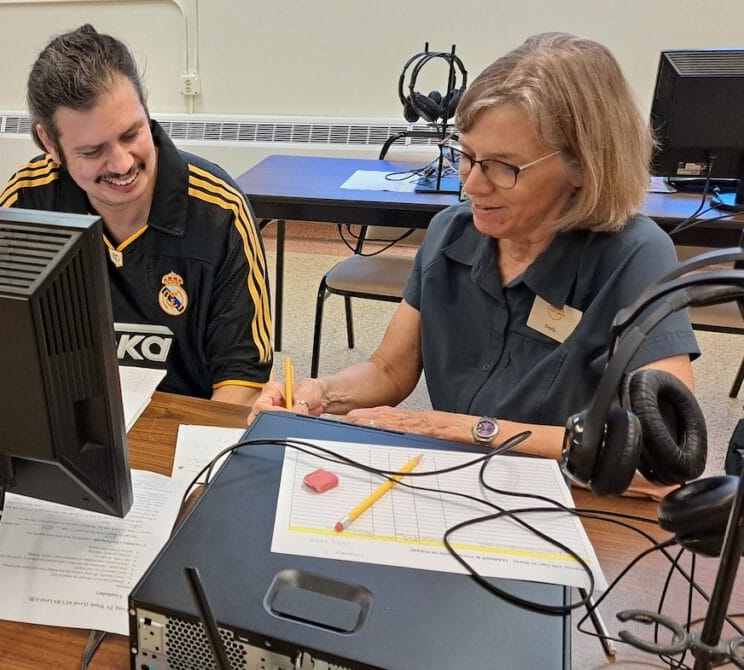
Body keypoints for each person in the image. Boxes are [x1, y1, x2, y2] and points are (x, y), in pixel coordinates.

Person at [251, 33, 699, 488]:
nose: (473, 186)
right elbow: (390, 368)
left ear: (584, 165)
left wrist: (456, 430)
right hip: (461, 481)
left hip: (569, 496)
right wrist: (320, 393)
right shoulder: (452, 233)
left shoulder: (636, 256)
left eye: (504, 166)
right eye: (465, 157)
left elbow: (659, 454)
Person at [0, 25, 272, 404]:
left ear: (146, 109)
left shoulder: (219, 211)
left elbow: (242, 376)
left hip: (185, 427)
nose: (123, 164)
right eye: (93, 151)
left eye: (131, 134)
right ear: (50, 145)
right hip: (70, 419)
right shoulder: (26, 203)